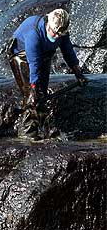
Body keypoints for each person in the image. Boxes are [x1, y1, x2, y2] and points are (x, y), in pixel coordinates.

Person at [7, 8, 88, 139]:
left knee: (42, 94)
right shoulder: (34, 34)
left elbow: (68, 52)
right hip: (21, 55)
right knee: (32, 97)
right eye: (54, 32)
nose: (56, 36)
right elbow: (34, 64)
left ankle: (45, 129)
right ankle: (27, 132)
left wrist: (78, 73)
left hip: (44, 55)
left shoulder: (62, 33)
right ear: (48, 24)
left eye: (59, 34)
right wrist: (33, 88)